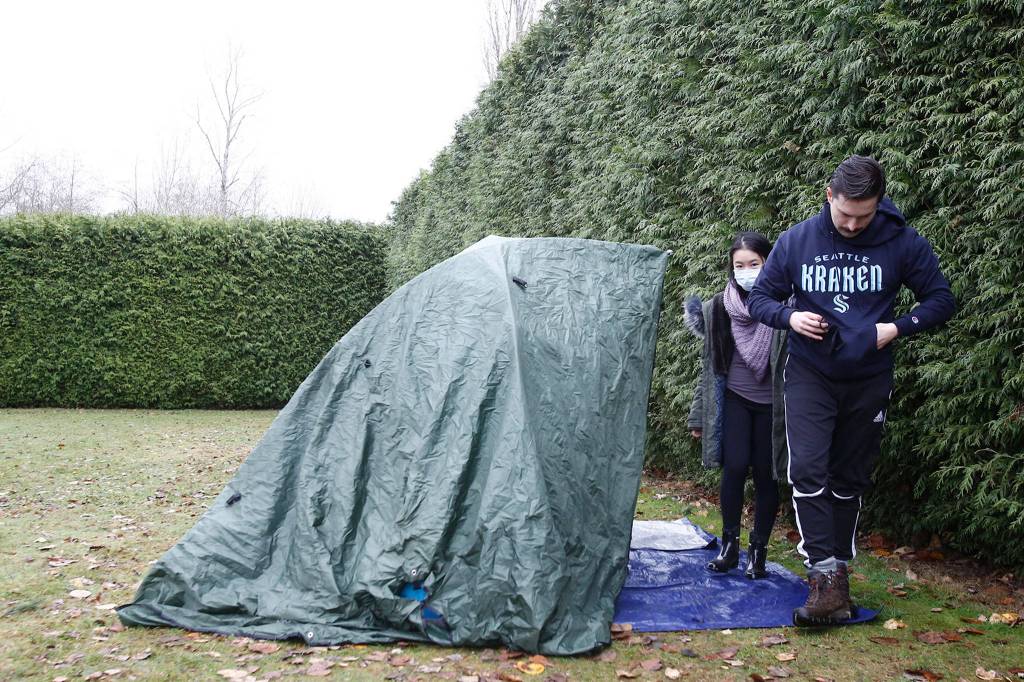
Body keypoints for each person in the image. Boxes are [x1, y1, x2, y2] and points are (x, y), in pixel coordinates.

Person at [747, 155, 955, 626]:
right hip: (809, 372)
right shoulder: (797, 240)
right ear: (829, 196)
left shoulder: (902, 242)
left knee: (849, 477)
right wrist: (790, 317)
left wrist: (895, 328)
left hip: (868, 375)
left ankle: (839, 568)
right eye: (845, 214)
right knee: (808, 469)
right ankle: (821, 575)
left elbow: (941, 299)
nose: (854, 224)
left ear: (879, 203)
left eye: (864, 215)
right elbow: (760, 297)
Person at [685, 231, 789, 579]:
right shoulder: (719, 307)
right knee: (734, 467)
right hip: (735, 400)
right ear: (731, 268)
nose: (746, 270)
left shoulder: (785, 306)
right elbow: (709, 365)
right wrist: (698, 417)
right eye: (739, 265)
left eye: (754, 264)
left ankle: (758, 551)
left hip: (773, 406)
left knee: (765, 475)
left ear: (767, 262)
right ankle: (730, 546)